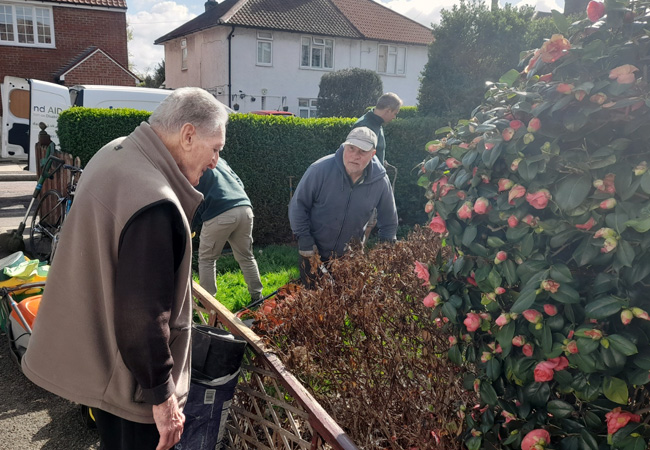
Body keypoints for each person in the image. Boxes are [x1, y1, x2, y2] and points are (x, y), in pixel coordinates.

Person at [22, 87, 229, 450]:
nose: (216, 162)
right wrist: (163, 398)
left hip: (103, 364)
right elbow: (142, 316)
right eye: (215, 149)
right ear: (188, 135)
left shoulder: (116, 152)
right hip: (132, 388)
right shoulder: (154, 201)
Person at [288, 127, 398, 286]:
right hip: (313, 250)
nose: (355, 156)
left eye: (362, 151)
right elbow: (298, 205)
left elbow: (389, 220)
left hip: (349, 257)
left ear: (373, 154)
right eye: (351, 148)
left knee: (344, 298)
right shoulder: (320, 170)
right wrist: (304, 238)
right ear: (344, 146)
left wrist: (385, 251)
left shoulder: (380, 181)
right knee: (312, 297)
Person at [194, 157, 263, 302]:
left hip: (219, 213)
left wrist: (191, 225)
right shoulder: (219, 160)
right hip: (245, 208)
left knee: (207, 259)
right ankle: (258, 298)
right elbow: (239, 183)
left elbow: (193, 197)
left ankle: (208, 304)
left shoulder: (193, 161)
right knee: (246, 257)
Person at [352, 93, 402, 242]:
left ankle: (358, 251)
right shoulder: (365, 126)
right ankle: (353, 252)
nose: (394, 117)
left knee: (370, 223)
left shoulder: (376, 124)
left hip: (373, 180)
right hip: (364, 184)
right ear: (388, 110)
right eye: (395, 113)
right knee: (362, 223)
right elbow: (356, 157)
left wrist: (381, 162)